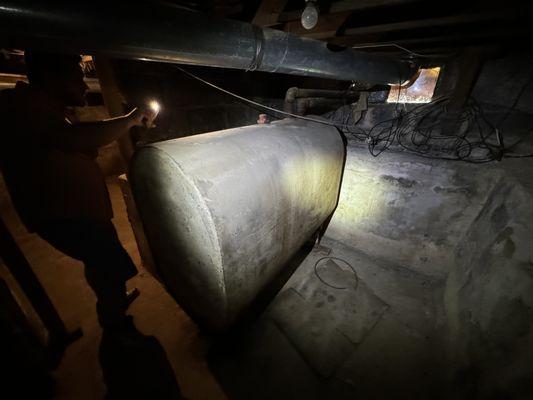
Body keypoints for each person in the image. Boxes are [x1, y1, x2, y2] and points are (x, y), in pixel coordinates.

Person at [0, 51, 156, 332]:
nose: (84, 86)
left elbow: (66, 144)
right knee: (108, 267)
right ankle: (116, 326)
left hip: (77, 210)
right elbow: (70, 139)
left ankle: (113, 306)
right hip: (65, 214)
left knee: (101, 265)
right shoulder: (23, 107)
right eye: (77, 79)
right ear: (50, 77)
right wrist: (130, 119)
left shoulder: (44, 109)